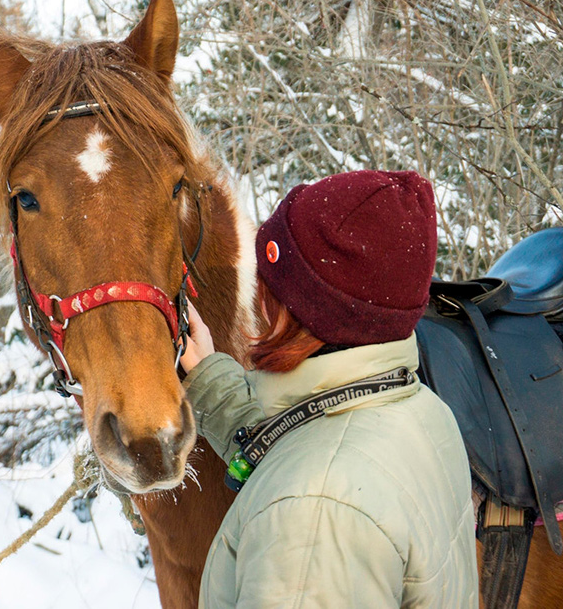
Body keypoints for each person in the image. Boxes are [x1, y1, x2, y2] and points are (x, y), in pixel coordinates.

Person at [180, 170, 478, 608]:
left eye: (269, 283)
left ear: (298, 311)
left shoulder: (311, 519)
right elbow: (313, 443)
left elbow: (317, 487)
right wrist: (208, 381)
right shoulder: (418, 408)